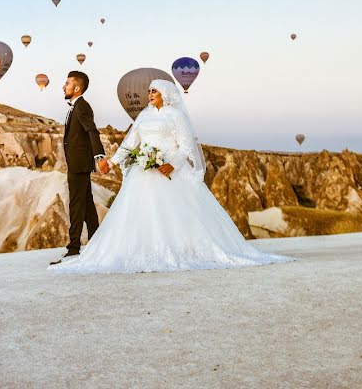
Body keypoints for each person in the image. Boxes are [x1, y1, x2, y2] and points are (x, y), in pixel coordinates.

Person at [49, 79, 296, 274]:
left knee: (177, 216)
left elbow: (186, 148)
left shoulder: (176, 116)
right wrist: (111, 162)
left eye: (153, 92)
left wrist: (172, 165)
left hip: (169, 171)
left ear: (165, 94)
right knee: (138, 215)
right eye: (148, 92)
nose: (149, 96)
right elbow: (130, 142)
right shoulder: (143, 116)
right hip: (143, 171)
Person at [49, 71, 109, 265]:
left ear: (77, 88)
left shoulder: (81, 106)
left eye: (66, 83)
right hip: (78, 163)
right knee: (87, 206)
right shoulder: (75, 107)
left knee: (76, 205)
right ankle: (97, 243)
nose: (63, 86)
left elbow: (92, 130)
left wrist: (99, 157)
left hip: (79, 164)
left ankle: (73, 249)